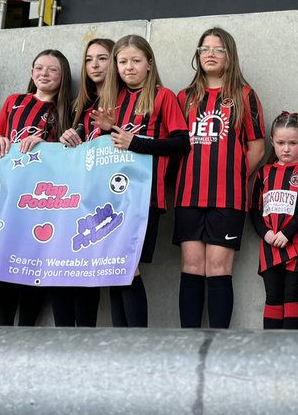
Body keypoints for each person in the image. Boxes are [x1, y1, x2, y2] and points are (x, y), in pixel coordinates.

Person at [78, 35, 189, 327]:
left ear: (149, 64)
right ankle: (122, 339)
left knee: (126, 266)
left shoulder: (164, 96)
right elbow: (113, 148)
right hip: (112, 197)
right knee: (117, 267)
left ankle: (137, 339)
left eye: (136, 61)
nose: (129, 67)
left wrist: (136, 143)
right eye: (123, 61)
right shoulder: (111, 100)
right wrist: (106, 130)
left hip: (146, 197)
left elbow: (181, 144)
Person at [174, 27, 265, 329]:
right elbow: (173, 145)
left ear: (230, 56)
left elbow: (256, 148)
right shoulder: (184, 97)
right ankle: (189, 340)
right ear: (197, 56)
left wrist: (232, 177)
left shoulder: (244, 96)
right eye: (204, 49)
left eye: (218, 49)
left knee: (218, 268)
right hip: (188, 196)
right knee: (191, 267)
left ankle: (218, 343)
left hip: (228, 198)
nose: (210, 54)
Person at [0, 49, 74, 327]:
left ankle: (26, 328)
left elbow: (70, 152)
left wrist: (46, 145)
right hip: (9, 192)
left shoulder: (67, 109)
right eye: (39, 68)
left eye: (52, 70)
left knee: (32, 261)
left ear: (63, 77)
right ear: (31, 73)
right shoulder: (15, 101)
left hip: (42, 199)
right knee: (6, 259)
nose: (44, 74)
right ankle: (3, 328)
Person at [58, 37, 114, 325]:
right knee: (67, 265)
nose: (94, 64)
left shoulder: (123, 101)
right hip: (75, 195)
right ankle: (66, 338)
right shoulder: (80, 104)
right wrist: (67, 139)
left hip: (108, 196)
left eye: (102, 58)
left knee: (90, 269)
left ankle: (86, 337)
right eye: (90, 59)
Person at [250, 111, 298, 330]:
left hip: (296, 244)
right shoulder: (264, 173)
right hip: (270, 244)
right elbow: (254, 209)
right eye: (281, 143)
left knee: (292, 296)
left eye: (293, 142)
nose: (286, 148)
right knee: (272, 297)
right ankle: (271, 350)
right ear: (272, 142)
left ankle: (291, 349)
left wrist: (287, 233)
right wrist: (267, 234)